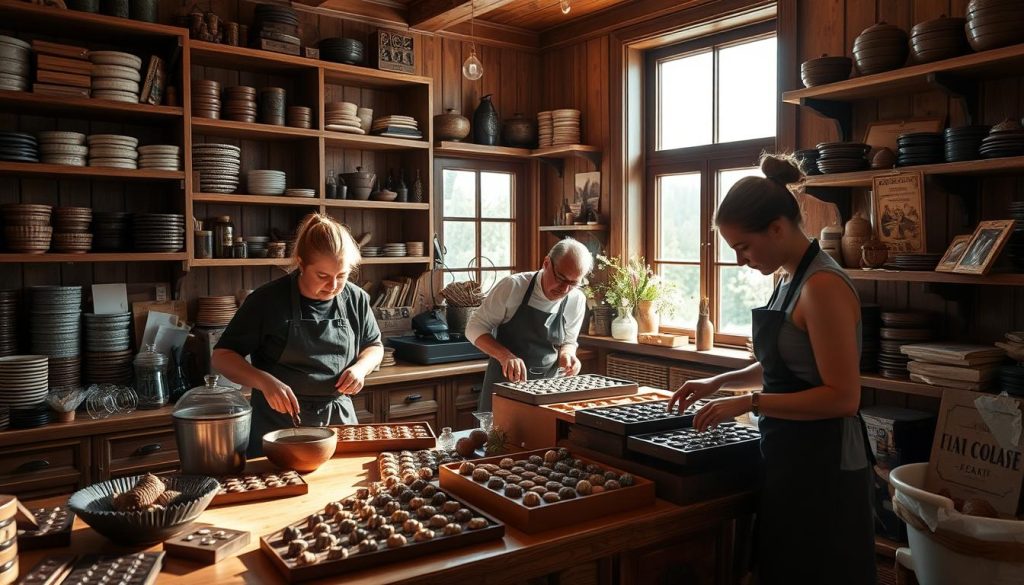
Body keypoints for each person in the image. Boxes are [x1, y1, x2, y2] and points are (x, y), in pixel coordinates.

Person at [668, 154, 876, 585]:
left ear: (777, 228)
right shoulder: (788, 279)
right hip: (791, 456)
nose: (741, 260)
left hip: (827, 468)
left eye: (744, 246)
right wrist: (718, 382)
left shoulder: (822, 286)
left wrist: (749, 402)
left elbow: (843, 397)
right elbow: (784, 366)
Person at [212, 213, 384, 456]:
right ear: (301, 264)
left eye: (342, 276)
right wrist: (264, 382)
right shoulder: (267, 301)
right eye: (322, 276)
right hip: (279, 424)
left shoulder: (355, 298)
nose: (333, 285)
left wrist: (361, 368)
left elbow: (374, 346)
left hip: (338, 418)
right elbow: (222, 356)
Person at [467, 238, 593, 410]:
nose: (564, 289)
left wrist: (568, 354)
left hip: (549, 390)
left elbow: (569, 341)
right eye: (561, 278)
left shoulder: (576, 299)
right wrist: (505, 356)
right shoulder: (513, 287)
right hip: (504, 387)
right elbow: (474, 327)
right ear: (546, 263)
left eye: (573, 283)